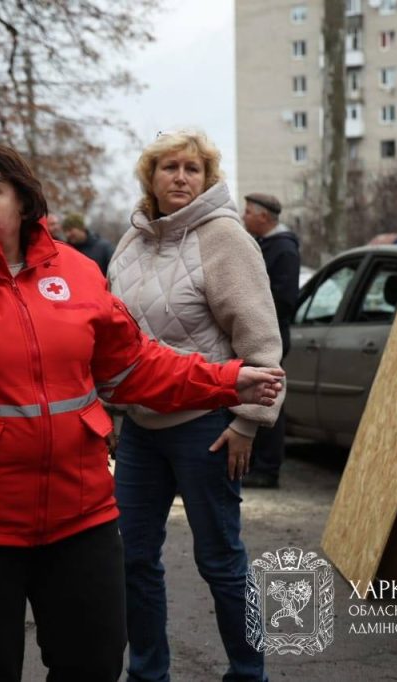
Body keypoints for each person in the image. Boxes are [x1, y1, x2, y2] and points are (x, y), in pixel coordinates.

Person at [0, 140, 283, 682]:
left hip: (80, 518)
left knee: (95, 664)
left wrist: (225, 380)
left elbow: (136, 367)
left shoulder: (77, 273)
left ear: (24, 202)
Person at [108, 130, 284, 682]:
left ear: (206, 178)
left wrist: (248, 424)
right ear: (150, 178)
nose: (181, 177)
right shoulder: (130, 241)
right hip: (140, 426)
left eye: (192, 168)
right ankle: (148, 673)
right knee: (132, 559)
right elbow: (112, 336)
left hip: (206, 426)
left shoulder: (225, 237)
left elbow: (259, 338)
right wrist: (112, 412)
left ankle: (247, 671)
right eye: (169, 167)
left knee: (221, 561)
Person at [242, 192, 301, 489]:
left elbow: (285, 299)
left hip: (272, 335)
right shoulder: (265, 246)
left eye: (248, 212)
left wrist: (257, 314)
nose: (244, 216)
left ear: (263, 217)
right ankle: (255, 463)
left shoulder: (283, 250)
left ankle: (267, 468)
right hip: (262, 333)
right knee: (256, 394)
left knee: (269, 398)